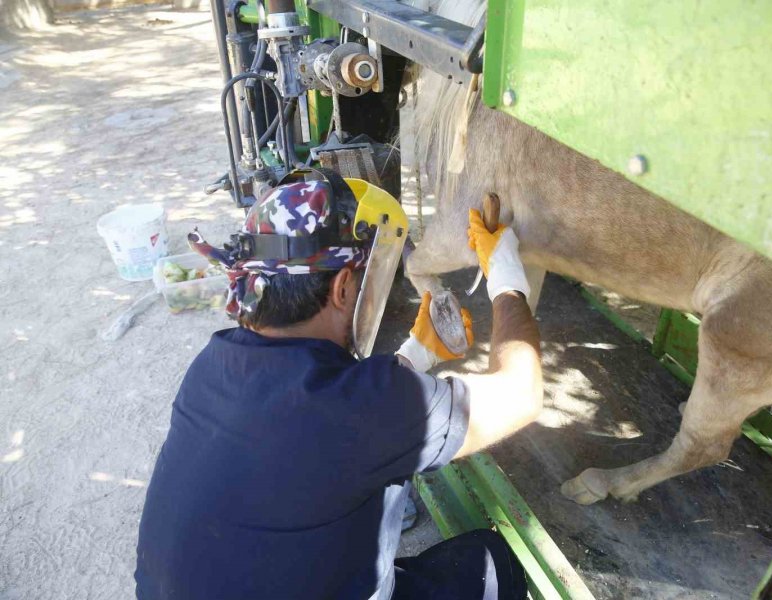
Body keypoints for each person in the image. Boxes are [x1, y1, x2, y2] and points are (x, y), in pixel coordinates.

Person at [134, 175, 542, 600]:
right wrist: (506, 277)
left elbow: (328, 417)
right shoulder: (366, 408)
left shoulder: (212, 364)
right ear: (343, 287)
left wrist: (417, 352)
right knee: (492, 564)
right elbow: (522, 394)